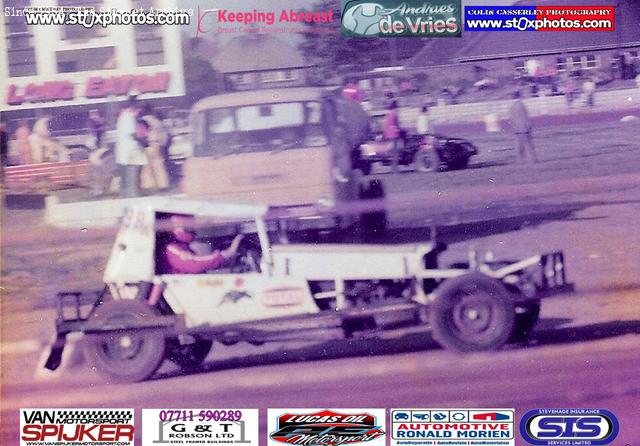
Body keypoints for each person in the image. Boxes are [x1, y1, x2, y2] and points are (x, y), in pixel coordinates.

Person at [163, 215, 245, 274]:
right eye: (185, 228)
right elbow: (195, 263)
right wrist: (226, 253)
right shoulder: (173, 250)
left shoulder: (180, 244)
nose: (191, 230)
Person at [115, 96, 145, 197]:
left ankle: (126, 194)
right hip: (131, 149)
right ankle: (133, 194)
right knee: (134, 172)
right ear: (133, 107)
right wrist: (143, 142)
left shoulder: (122, 117)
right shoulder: (128, 117)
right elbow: (133, 134)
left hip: (125, 150)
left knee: (127, 174)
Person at [140, 105, 170, 191]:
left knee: (147, 167)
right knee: (159, 166)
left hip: (148, 144)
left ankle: (148, 186)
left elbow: (141, 134)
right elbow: (164, 135)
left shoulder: (143, 121)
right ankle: (163, 185)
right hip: (158, 145)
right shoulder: (157, 121)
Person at [509, 91, 537, 163]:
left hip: (516, 128)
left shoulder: (512, 106)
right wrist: (529, 126)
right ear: (520, 96)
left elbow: (511, 118)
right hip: (523, 128)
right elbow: (525, 117)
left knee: (519, 146)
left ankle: (520, 160)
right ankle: (532, 160)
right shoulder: (521, 105)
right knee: (529, 145)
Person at [383, 100, 404, 172]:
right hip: (394, 134)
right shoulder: (394, 114)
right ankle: (395, 169)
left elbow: (386, 125)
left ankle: (394, 168)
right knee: (395, 152)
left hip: (389, 134)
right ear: (395, 107)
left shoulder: (388, 114)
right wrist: (399, 130)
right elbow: (397, 125)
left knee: (393, 152)